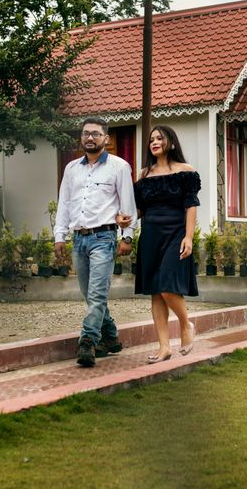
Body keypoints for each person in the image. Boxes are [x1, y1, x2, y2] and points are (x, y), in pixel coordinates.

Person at [54, 117, 137, 368]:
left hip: (104, 238)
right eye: (86, 133)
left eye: (95, 134)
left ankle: (88, 341)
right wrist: (60, 236)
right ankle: (110, 336)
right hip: (79, 239)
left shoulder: (119, 167)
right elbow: (64, 204)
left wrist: (128, 237)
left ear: (106, 139)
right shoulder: (71, 169)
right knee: (90, 295)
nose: (90, 138)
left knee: (97, 294)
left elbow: (128, 205)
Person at [118, 125, 201, 363]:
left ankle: (186, 324)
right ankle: (164, 347)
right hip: (151, 235)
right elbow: (139, 210)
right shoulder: (144, 175)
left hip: (176, 233)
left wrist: (189, 237)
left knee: (167, 286)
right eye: (151, 139)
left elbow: (191, 205)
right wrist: (125, 219)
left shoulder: (186, 171)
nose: (154, 142)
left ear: (171, 142)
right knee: (156, 292)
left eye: (159, 138)